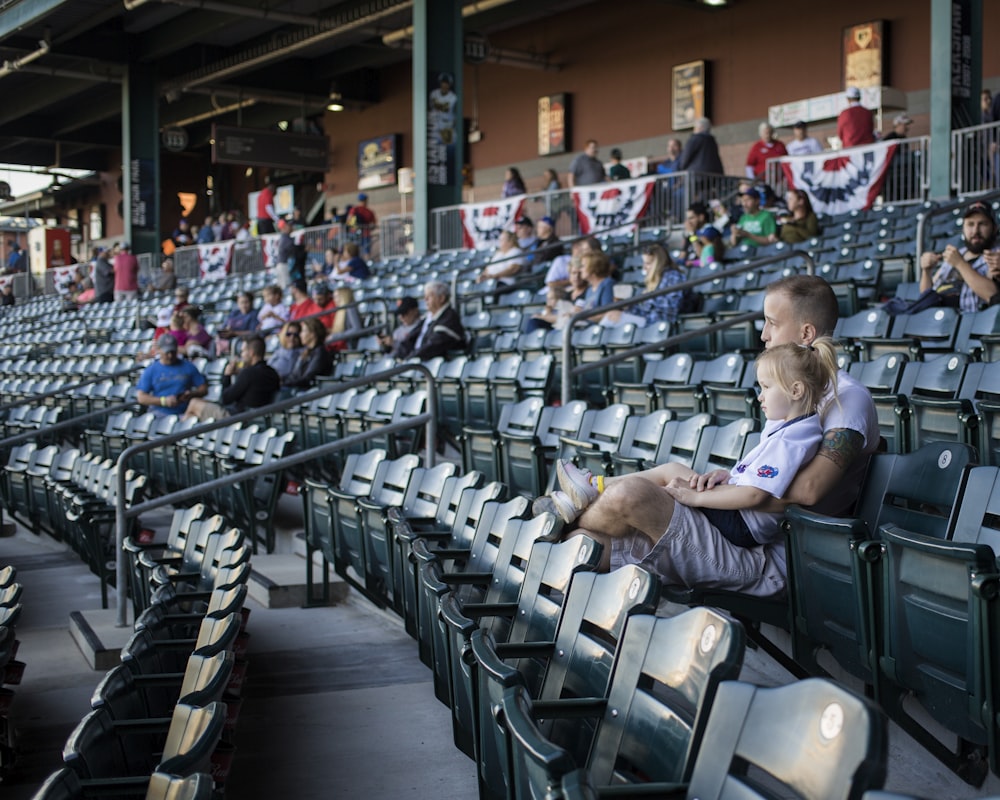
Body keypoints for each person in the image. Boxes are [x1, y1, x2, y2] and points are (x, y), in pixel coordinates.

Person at [535, 274, 879, 596]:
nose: (764, 335)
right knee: (584, 541)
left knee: (633, 495)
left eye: (772, 323)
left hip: (768, 555)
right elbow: (775, 471)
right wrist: (729, 480)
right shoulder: (795, 393)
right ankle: (579, 505)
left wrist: (711, 495)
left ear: (805, 334)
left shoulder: (846, 398)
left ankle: (566, 511)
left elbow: (807, 490)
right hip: (739, 528)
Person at [919, 200, 1000, 312]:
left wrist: (960, 264)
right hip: (938, 320)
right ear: (963, 228)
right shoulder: (956, 253)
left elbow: (992, 295)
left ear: (994, 228)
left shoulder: (996, 256)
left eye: (982, 224)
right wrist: (926, 272)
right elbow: (926, 299)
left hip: (970, 322)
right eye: (970, 224)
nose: (975, 231)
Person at [184, 336, 280, 421]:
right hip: (259, 418)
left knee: (194, 403)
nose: (241, 355)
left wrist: (227, 375)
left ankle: (176, 439)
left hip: (238, 417)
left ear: (251, 353)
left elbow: (225, 398)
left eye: (242, 351)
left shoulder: (248, 373)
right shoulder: (273, 373)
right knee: (194, 415)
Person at [135, 333, 208, 416]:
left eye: (173, 352)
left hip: (185, 411)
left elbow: (203, 389)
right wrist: (163, 401)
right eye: (167, 352)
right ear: (159, 350)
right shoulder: (151, 370)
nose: (170, 355)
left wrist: (191, 394)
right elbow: (141, 397)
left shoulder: (188, 366)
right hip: (160, 412)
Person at [396, 281, 466, 361]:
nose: (425, 299)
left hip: (433, 365)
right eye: (425, 296)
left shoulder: (449, 317)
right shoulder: (428, 318)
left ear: (441, 298)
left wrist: (408, 359)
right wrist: (398, 357)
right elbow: (409, 340)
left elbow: (432, 346)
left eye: (429, 296)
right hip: (418, 362)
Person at [628, 243, 685, 326]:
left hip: (659, 323)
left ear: (658, 263)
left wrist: (646, 300)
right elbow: (642, 309)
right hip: (646, 320)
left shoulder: (673, 276)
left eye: (648, 263)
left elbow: (672, 305)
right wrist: (627, 306)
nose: (644, 268)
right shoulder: (654, 280)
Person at [282, 316, 334, 390]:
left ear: (312, 334)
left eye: (303, 331)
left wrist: (285, 383)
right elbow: (294, 375)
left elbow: (308, 378)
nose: (300, 335)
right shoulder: (306, 352)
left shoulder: (320, 353)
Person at [327, 286, 363, 352]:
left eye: (336, 296)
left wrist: (336, 336)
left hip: (350, 345)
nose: (334, 299)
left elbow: (357, 329)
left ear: (344, 296)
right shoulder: (340, 311)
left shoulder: (350, 308)